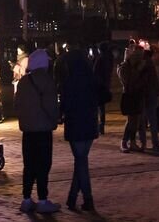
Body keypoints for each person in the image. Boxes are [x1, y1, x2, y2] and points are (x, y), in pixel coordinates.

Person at [15, 48, 61, 214]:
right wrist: (55, 119)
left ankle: (26, 199)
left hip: (27, 131)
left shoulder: (23, 82)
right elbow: (51, 106)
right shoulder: (47, 81)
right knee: (43, 165)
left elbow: (17, 106)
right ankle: (42, 199)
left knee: (29, 165)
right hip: (43, 130)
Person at [59, 48, 103, 212]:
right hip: (89, 122)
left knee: (80, 160)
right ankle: (72, 198)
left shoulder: (69, 82)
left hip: (75, 123)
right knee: (81, 160)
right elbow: (104, 94)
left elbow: (64, 104)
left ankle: (88, 198)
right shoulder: (91, 78)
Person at [118, 47, 144, 152]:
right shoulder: (124, 67)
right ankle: (124, 142)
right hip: (129, 95)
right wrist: (137, 70)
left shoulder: (138, 65)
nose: (139, 58)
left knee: (136, 121)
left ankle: (132, 142)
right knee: (130, 120)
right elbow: (128, 83)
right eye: (137, 55)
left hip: (137, 94)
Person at [138, 47, 159, 151]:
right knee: (152, 120)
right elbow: (155, 81)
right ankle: (155, 143)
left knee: (142, 121)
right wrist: (158, 93)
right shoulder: (150, 65)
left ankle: (143, 143)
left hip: (142, 95)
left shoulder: (140, 65)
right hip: (151, 94)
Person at [92, 43, 113, 136]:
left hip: (98, 86)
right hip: (105, 85)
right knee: (102, 107)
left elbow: (94, 72)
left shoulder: (99, 59)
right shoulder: (109, 58)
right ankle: (101, 126)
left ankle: (98, 126)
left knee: (97, 107)